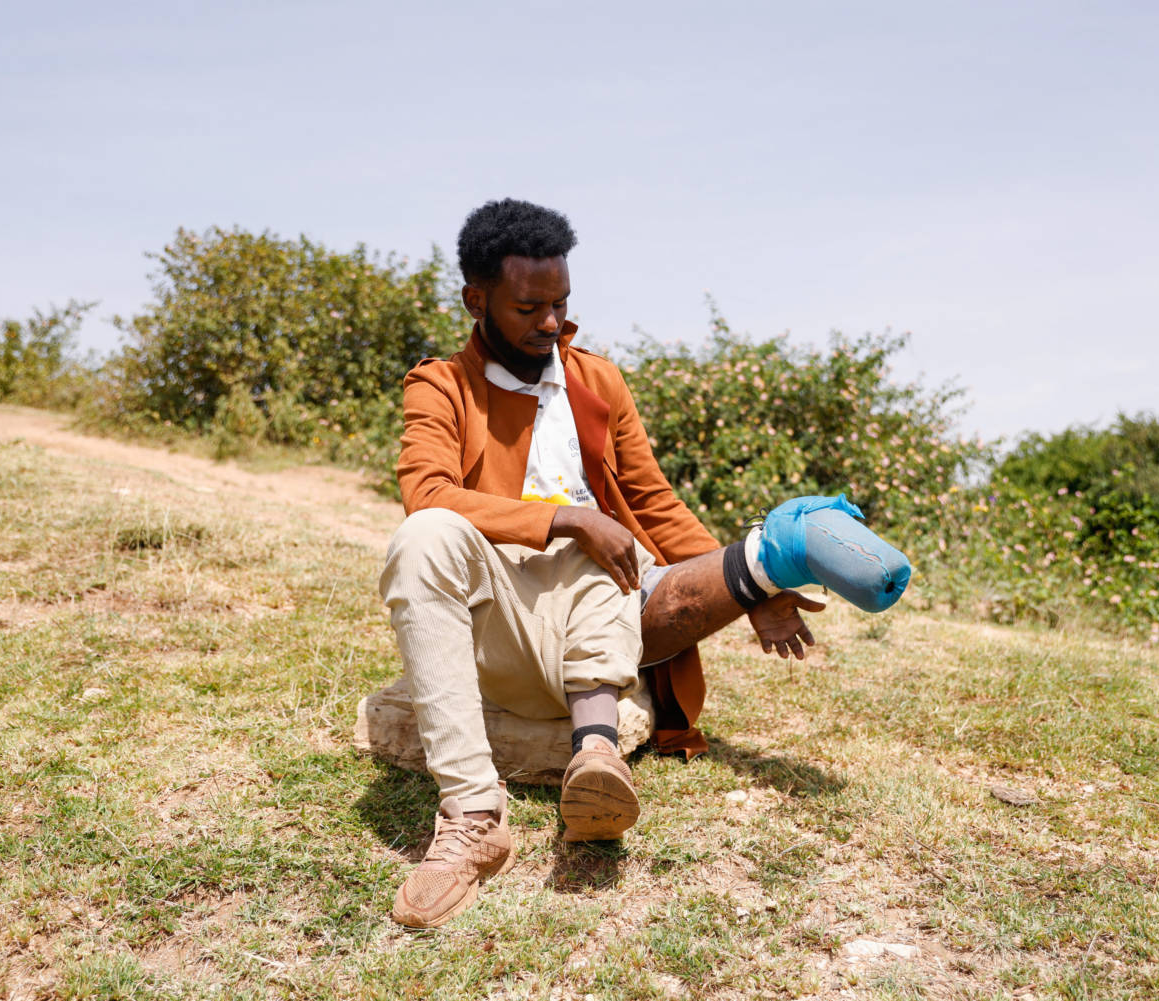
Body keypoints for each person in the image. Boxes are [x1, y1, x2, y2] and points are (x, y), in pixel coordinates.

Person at [379, 198, 909, 928]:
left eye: (561, 303)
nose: (550, 323)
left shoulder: (597, 381)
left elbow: (656, 506)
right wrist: (567, 516)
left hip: (608, 615)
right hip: (502, 626)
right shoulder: (439, 385)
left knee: (610, 547)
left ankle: (599, 754)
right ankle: (473, 814)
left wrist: (745, 598)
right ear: (477, 298)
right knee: (425, 536)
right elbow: (426, 494)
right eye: (529, 306)